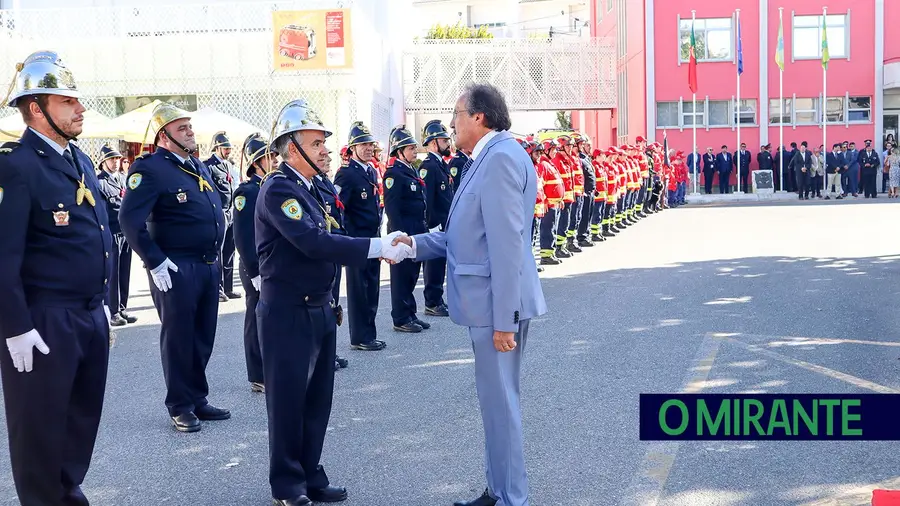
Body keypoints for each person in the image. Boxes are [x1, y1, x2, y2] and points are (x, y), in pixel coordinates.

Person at [392, 83, 547, 506]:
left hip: (496, 307)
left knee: (502, 407)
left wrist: (504, 321)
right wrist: (414, 244)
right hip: (490, 303)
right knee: (495, 406)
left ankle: (512, 498)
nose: (451, 122)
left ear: (480, 117)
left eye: (456, 113)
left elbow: (506, 245)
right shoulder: (488, 157)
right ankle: (498, 490)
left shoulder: (499, 159)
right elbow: (463, 233)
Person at [255, 98, 407, 506]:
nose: (325, 149)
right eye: (316, 142)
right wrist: (377, 247)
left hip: (319, 307)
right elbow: (313, 241)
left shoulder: (314, 187)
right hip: (287, 311)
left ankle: (310, 473)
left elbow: (334, 232)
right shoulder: (278, 190)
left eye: (324, 142)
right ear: (292, 148)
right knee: (288, 402)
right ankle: (287, 484)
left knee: (317, 400)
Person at [0, 50, 113, 505]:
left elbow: (98, 236)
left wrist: (102, 303)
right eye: (68, 101)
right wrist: (16, 328)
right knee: (40, 431)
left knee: (79, 422)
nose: (80, 108)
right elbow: (3, 257)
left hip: (86, 315)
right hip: (44, 321)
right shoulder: (16, 165)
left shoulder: (79, 161)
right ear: (36, 108)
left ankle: (67, 492)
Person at [119, 102, 229, 432]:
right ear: (163, 136)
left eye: (190, 126)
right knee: (179, 338)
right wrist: (155, 261)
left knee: (202, 336)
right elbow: (129, 220)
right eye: (182, 128)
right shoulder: (150, 168)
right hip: (176, 267)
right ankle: (179, 405)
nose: (190, 132)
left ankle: (197, 397)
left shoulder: (196, 165)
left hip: (208, 263)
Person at [334, 121, 387, 351]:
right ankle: (360, 336)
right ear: (352, 149)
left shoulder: (370, 170)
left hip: (372, 238)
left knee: (372, 286)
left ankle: (369, 333)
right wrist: (346, 239)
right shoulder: (346, 174)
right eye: (362, 144)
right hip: (357, 240)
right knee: (359, 290)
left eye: (369, 144)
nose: (367, 148)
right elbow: (338, 209)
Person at [232, 133, 276, 393]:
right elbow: (242, 236)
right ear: (258, 162)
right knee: (255, 317)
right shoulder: (247, 191)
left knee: (269, 317)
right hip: (255, 265)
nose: (275, 160)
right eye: (270, 157)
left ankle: (270, 367)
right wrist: (253, 270)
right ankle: (257, 373)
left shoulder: (270, 186)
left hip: (271, 262)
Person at [383, 125, 431, 333]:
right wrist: (398, 236)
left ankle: (410, 312)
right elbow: (393, 209)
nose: (414, 151)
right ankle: (400, 317)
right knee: (401, 276)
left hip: (416, 230)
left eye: (413, 147)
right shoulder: (394, 174)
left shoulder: (409, 170)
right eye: (410, 148)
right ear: (399, 151)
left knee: (412, 274)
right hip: (403, 233)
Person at [313, 144, 351, 370]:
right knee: (325, 304)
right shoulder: (313, 184)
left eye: (328, 157)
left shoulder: (325, 182)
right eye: (322, 158)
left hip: (334, 248)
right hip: (326, 248)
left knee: (333, 303)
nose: (327, 160)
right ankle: (322, 355)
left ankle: (330, 352)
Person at [97, 144, 138, 326]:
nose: (115, 162)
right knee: (112, 275)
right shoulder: (100, 182)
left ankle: (122, 307)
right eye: (111, 159)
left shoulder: (123, 179)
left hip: (125, 232)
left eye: (117, 159)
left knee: (125, 272)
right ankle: (112, 311)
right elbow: (103, 211)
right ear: (103, 162)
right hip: (112, 232)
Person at [419, 119, 454, 316]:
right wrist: (431, 225)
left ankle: (437, 298)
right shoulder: (429, 166)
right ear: (433, 143)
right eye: (443, 140)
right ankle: (432, 301)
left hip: (443, 223)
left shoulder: (440, 164)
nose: (448, 144)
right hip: (435, 224)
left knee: (440, 263)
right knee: (434, 263)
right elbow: (427, 199)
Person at [204, 131, 242, 302]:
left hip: (231, 210)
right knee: (218, 252)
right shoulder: (209, 166)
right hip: (219, 212)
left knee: (229, 250)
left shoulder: (227, 165)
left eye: (229, 148)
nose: (228, 151)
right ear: (217, 147)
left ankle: (228, 287)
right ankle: (217, 288)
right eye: (225, 148)